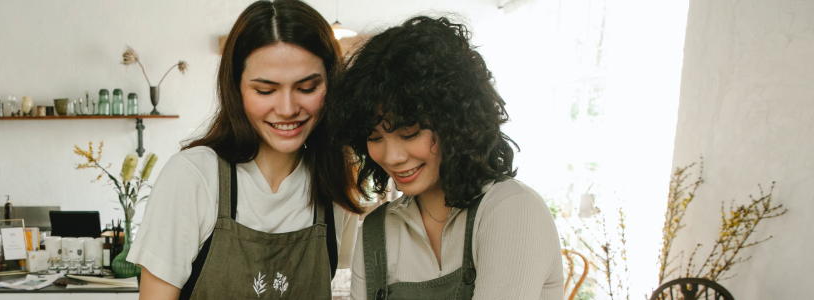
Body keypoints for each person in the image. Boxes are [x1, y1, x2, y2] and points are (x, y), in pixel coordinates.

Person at [126, 1, 363, 299]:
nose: (288, 109)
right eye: (265, 91)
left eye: (306, 88)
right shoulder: (192, 177)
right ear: (235, 89)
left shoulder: (335, 183)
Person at [330, 16, 564, 300]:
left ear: (455, 122)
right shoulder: (376, 231)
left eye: (410, 133)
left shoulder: (511, 209)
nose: (392, 156)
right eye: (375, 137)